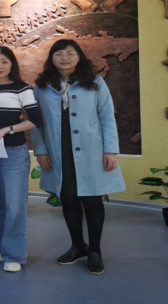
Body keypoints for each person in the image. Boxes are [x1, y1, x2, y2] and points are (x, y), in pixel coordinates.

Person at [32, 39, 125, 275]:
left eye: (70, 53)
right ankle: (78, 246)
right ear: (51, 58)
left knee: (92, 200)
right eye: (59, 54)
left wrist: (110, 150)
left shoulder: (95, 82)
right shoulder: (42, 87)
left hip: (91, 150)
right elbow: (36, 122)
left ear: (79, 56)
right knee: (68, 199)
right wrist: (41, 150)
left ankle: (95, 251)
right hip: (58, 150)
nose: (64, 58)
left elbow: (107, 116)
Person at [0, 47, 42, 273]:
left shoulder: (22, 88)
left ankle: (14, 254)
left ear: (12, 64)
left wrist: (6, 130)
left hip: (14, 151)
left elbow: (35, 119)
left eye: (4, 61)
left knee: (14, 204)